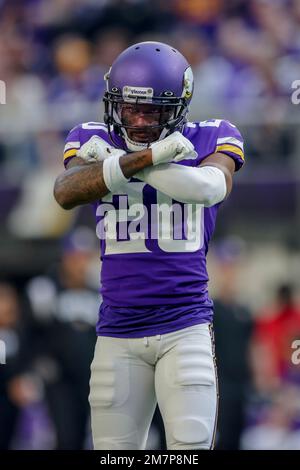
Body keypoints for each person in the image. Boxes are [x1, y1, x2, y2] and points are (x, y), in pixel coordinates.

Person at [54, 41, 245, 450]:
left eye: (153, 111)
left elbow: (211, 187)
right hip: (116, 331)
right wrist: (152, 157)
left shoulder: (213, 133)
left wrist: (120, 162)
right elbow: (67, 192)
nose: (139, 121)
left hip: (185, 326)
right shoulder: (87, 136)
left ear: (178, 107)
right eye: (129, 108)